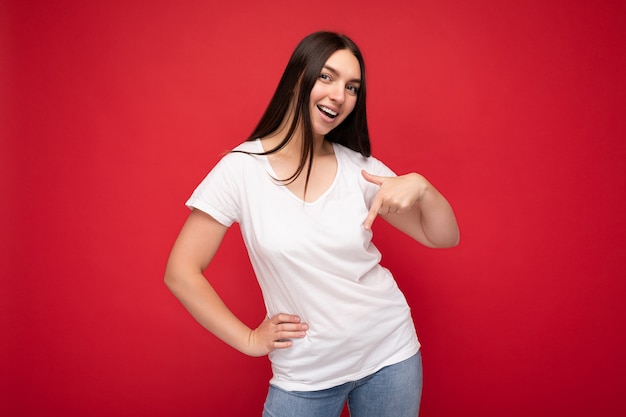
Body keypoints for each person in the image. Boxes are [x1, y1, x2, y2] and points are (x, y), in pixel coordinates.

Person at [164, 31, 459, 417]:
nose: (340, 95)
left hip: (390, 356)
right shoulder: (241, 169)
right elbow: (181, 272)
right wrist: (249, 340)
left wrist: (422, 186)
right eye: (327, 77)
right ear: (297, 77)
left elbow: (442, 236)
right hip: (305, 376)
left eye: (352, 87)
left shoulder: (361, 170)